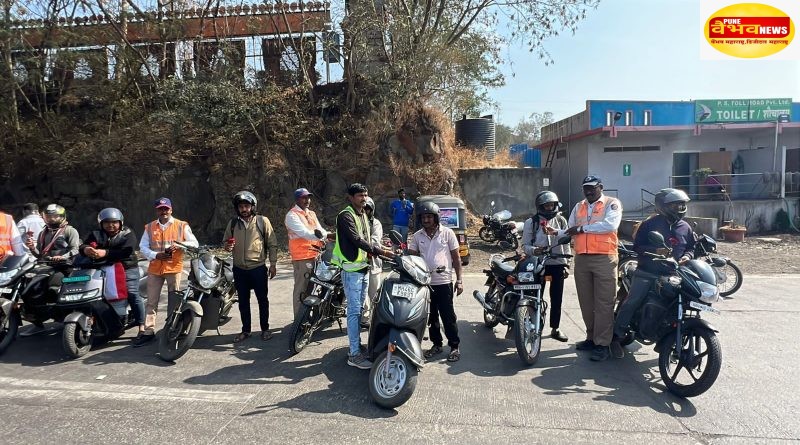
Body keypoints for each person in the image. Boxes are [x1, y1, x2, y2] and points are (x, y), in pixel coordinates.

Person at [612, 188, 695, 357]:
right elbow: (636, 247)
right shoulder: (650, 224)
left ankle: (669, 338)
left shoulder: (685, 227)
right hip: (647, 272)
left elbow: (691, 247)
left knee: (680, 304)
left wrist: (687, 256)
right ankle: (615, 337)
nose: (679, 208)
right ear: (664, 206)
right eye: (675, 205)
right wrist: (655, 251)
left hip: (674, 274)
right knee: (632, 302)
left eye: (682, 205)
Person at [558, 175, 622, 361]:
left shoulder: (612, 203)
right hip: (582, 258)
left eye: (592, 188)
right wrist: (556, 233)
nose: (589, 191)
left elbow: (610, 225)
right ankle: (591, 338)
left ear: (600, 187)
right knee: (586, 303)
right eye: (586, 188)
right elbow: (571, 228)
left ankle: (602, 344)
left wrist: (582, 229)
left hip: (604, 258)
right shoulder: (579, 206)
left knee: (604, 303)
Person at [332, 183, 395, 369]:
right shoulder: (346, 216)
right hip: (351, 271)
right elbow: (357, 240)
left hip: (363, 268)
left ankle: (356, 345)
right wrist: (381, 252)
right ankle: (353, 354)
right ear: (350, 197)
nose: (364, 198)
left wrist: (383, 249)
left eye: (365, 195)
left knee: (359, 311)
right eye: (359, 195)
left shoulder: (363, 215)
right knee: (353, 312)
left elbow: (367, 239)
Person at [136, 197, 199, 347]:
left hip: (174, 268)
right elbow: (143, 247)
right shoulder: (150, 227)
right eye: (160, 209)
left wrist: (179, 245)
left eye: (166, 208)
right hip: (155, 268)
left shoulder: (181, 225)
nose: (163, 211)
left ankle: (173, 328)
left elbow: (194, 243)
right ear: (156, 210)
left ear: (171, 209)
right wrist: (155, 255)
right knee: (151, 302)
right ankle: (148, 332)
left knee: (174, 301)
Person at [79, 208, 146, 344]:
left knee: (132, 294)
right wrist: (86, 249)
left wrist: (105, 253)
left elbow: (126, 251)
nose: (110, 225)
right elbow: (84, 245)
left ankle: (143, 326)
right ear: (101, 224)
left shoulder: (127, 233)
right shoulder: (96, 234)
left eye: (114, 222)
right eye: (107, 223)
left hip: (126, 268)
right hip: (102, 268)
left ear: (120, 223)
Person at [408, 201, 464, 362]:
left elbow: (456, 258)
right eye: (423, 217)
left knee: (448, 317)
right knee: (431, 317)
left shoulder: (447, 233)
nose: (426, 220)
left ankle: (454, 346)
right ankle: (437, 345)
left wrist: (459, 280)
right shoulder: (418, 236)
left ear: (436, 218)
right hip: (425, 284)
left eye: (429, 217)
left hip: (444, 282)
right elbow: (411, 256)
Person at [223, 191, 279, 343]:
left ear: (252, 207)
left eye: (247, 206)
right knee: (243, 301)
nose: (244, 209)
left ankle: (265, 329)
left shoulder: (262, 221)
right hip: (239, 269)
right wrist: (228, 246)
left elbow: (272, 244)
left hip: (258, 268)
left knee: (262, 300)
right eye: (241, 206)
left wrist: (273, 264)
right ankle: (245, 330)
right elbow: (226, 244)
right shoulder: (233, 223)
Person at [22, 204, 80, 336]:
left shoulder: (70, 230)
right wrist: (32, 248)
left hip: (64, 267)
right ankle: (37, 322)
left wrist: (62, 257)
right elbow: (40, 254)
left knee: (53, 288)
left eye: (55, 216)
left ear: (62, 216)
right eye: (48, 216)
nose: (51, 219)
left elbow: (76, 249)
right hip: (46, 267)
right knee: (29, 288)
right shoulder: (44, 232)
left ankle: (64, 317)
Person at [521, 191, 571, 342]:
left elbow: (566, 243)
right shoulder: (532, 222)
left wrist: (567, 264)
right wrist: (534, 250)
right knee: (535, 296)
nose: (550, 208)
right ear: (540, 206)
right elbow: (525, 245)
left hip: (557, 263)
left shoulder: (561, 221)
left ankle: (555, 328)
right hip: (538, 263)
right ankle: (534, 326)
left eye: (552, 205)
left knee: (557, 298)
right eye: (547, 205)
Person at [284, 188, 327, 319]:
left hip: (316, 255)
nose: (307, 200)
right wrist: (322, 236)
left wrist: (325, 235)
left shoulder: (311, 213)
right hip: (302, 257)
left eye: (308, 197)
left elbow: (320, 229)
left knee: (314, 288)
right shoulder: (292, 215)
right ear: (297, 199)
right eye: (303, 198)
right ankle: (299, 321)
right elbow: (305, 233)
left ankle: (310, 317)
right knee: (301, 290)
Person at [364, 196, 382, 327]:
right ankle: (365, 318)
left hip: (374, 263)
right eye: (363, 208)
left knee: (374, 293)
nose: (365, 211)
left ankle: (376, 318)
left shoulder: (376, 223)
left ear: (372, 210)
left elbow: (375, 241)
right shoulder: (354, 221)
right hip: (358, 263)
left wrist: (358, 242)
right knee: (362, 293)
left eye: (368, 209)